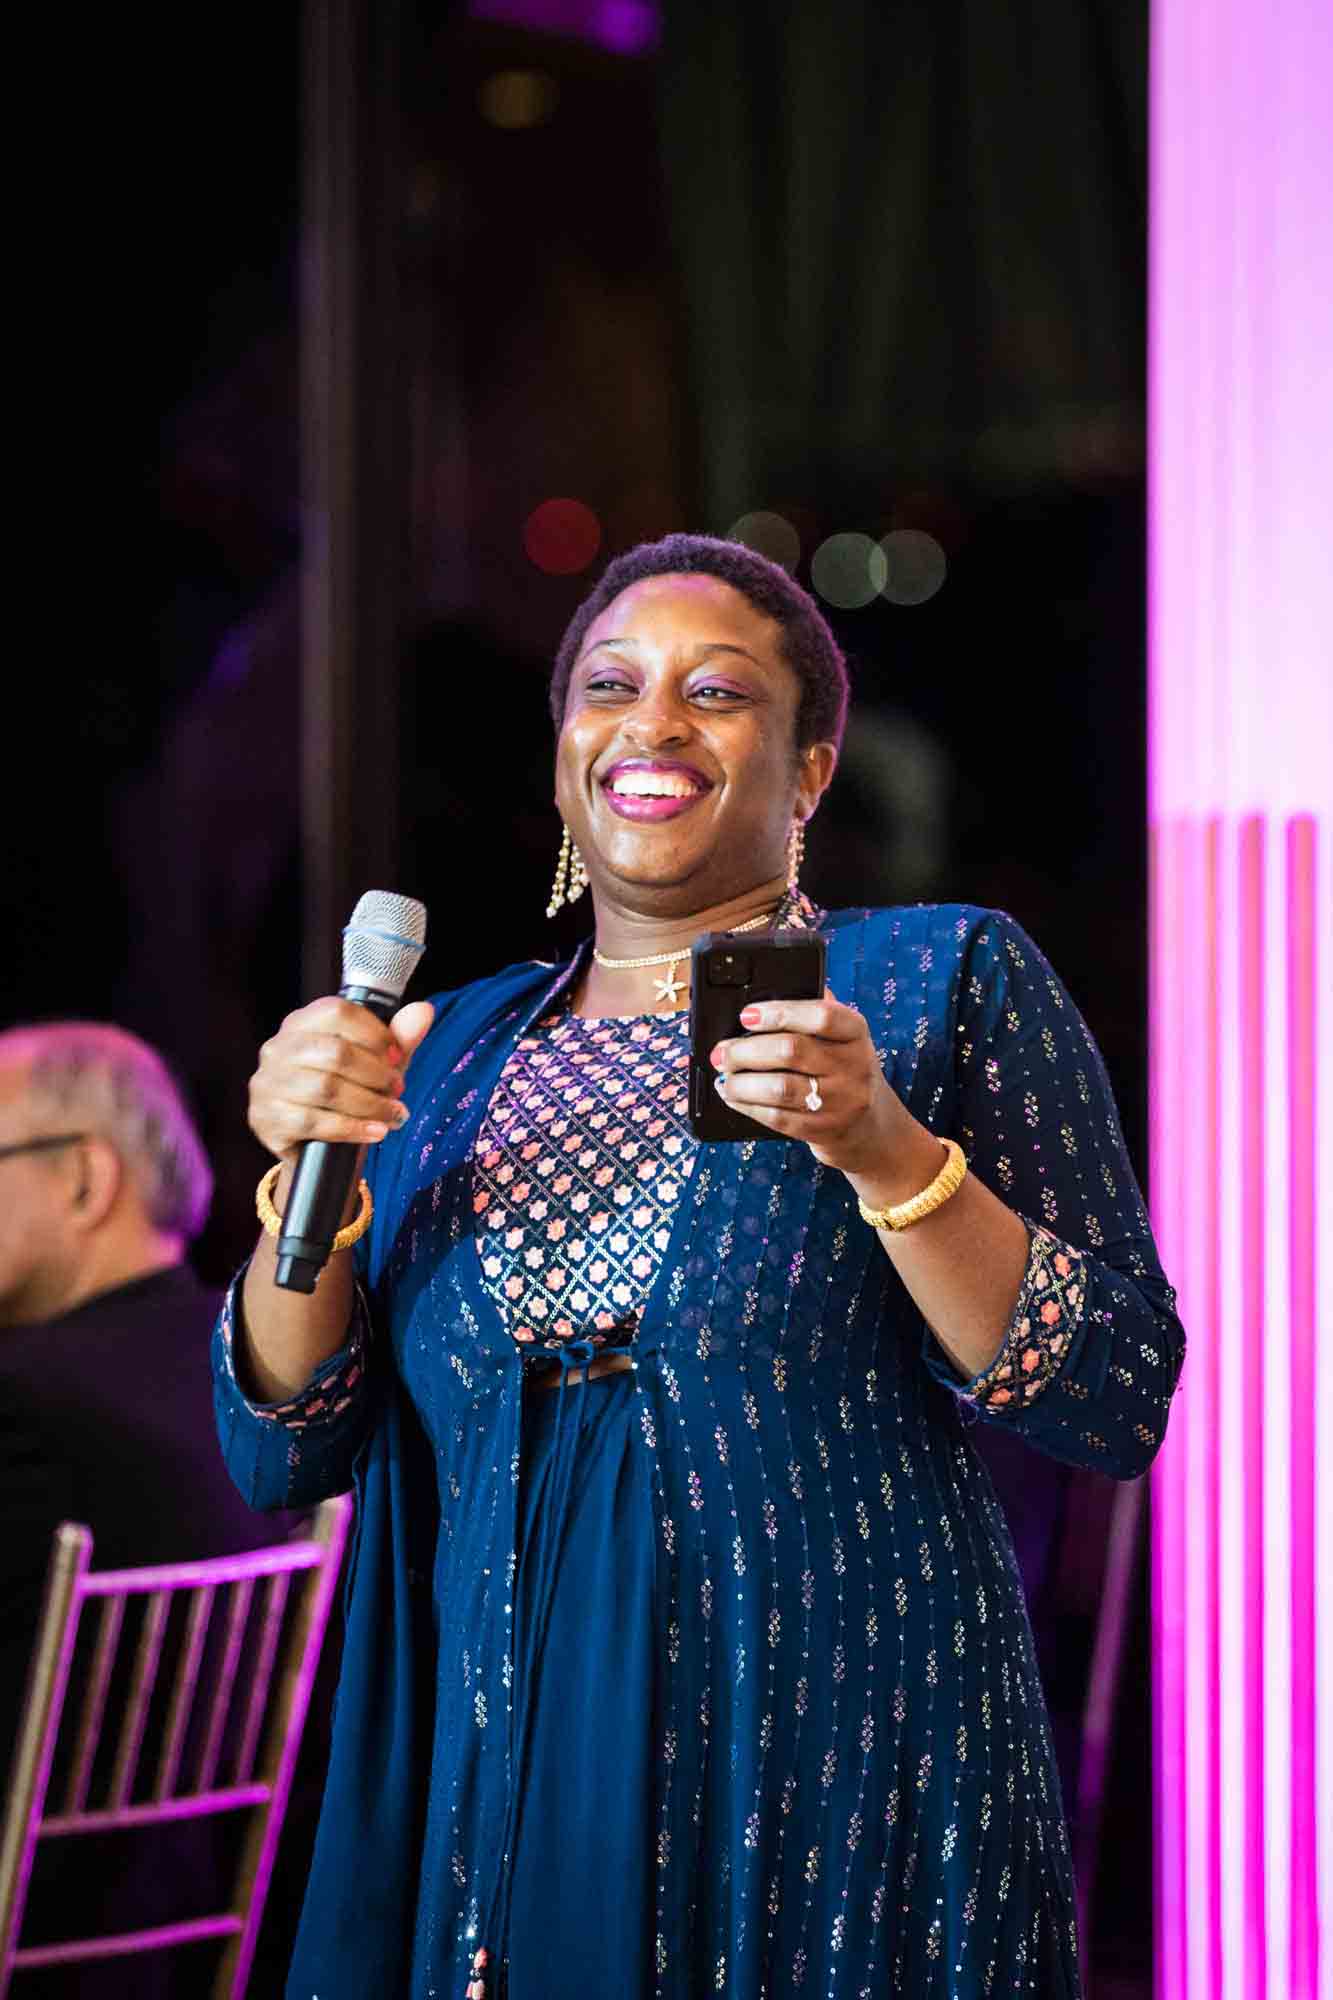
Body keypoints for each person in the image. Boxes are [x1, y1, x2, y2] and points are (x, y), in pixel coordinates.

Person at [214, 533, 1186, 2000]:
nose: (652, 722)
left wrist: (886, 1154)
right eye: (609, 686)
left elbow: (1114, 1393)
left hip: (827, 1769)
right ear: (561, 766)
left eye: (716, 691)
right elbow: (281, 1441)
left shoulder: (930, 980)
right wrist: (319, 1183)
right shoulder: (454, 1046)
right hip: (507, 1758)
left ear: (807, 772)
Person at [0, 1022, 290, 1993]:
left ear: (84, 1178)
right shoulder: (266, 1364)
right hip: (215, 1924)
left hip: (39, 1928)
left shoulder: (27, 1397)